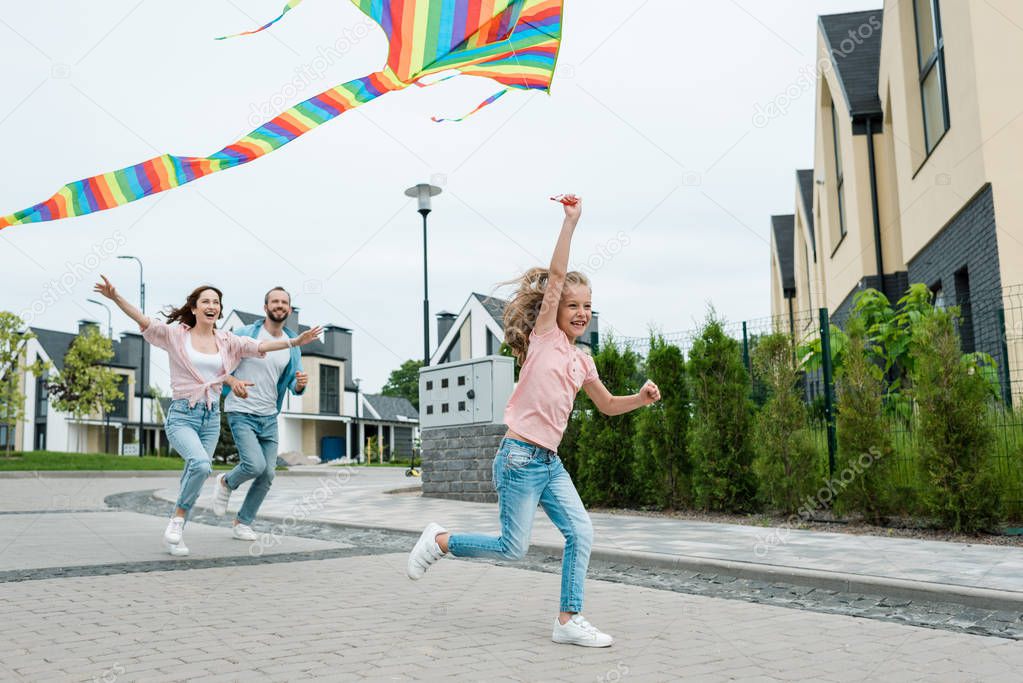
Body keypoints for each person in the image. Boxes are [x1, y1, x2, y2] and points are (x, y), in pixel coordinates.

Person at [405, 196, 661, 647]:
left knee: (581, 531)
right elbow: (557, 275)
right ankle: (440, 540)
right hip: (518, 458)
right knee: (513, 548)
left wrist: (639, 399)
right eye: (572, 305)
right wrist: (571, 222)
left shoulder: (584, 361)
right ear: (556, 310)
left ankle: (567, 620)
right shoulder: (544, 338)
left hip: (549, 463)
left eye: (587, 306)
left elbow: (604, 405)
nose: (580, 312)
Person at [93, 275, 321, 556]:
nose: (211, 305)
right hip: (182, 414)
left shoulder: (227, 340)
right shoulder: (177, 335)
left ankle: (176, 532)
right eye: (206, 301)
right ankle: (177, 520)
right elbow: (145, 321)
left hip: (211, 417)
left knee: (196, 472)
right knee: (200, 464)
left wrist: (295, 341)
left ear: (219, 310)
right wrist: (116, 297)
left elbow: (260, 348)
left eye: (216, 302)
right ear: (195, 308)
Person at [210, 286, 308, 540]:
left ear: (288, 308)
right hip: (241, 411)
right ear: (265, 307)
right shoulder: (245, 334)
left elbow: (294, 385)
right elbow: (218, 367)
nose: (279, 305)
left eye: (284, 302)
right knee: (254, 464)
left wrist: (300, 384)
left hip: (268, 415)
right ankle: (226, 483)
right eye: (274, 301)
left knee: (268, 473)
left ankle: (243, 522)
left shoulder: (292, 345)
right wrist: (232, 382)